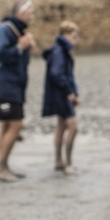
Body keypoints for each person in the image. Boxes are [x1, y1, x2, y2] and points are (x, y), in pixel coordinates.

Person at [0, 0, 35, 182]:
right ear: (21, 12)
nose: (33, 16)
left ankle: (4, 164)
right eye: (30, 12)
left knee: (6, 125)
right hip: (5, 85)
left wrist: (25, 49)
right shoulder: (3, 30)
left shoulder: (17, 30)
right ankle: (0, 167)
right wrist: (20, 46)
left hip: (14, 85)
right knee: (16, 125)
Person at [42, 21, 80, 175]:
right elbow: (57, 74)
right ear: (65, 35)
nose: (75, 39)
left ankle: (59, 161)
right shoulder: (59, 51)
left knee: (61, 126)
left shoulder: (59, 49)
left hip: (59, 94)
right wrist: (69, 92)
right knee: (73, 127)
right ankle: (68, 164)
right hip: (61, 95)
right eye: (74, 36)